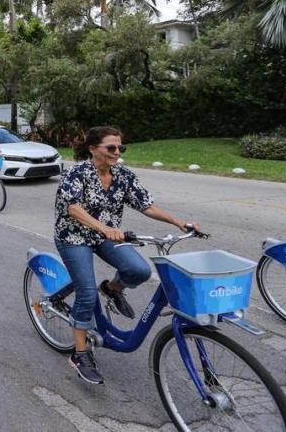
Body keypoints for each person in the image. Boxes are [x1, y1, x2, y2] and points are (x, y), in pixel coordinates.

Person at [54, 125, 200, 385]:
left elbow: (147, 204)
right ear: (93, 149)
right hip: (74, 238)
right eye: (111, 148)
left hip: (106, 236)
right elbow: (73, 208)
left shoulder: (122, 175)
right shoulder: (77, 173)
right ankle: (80, 354)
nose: (117, 152)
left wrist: (179, 223)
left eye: (121, 147)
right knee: (86, 293)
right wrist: (104, 228)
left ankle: (111, 289)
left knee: (139, 271)